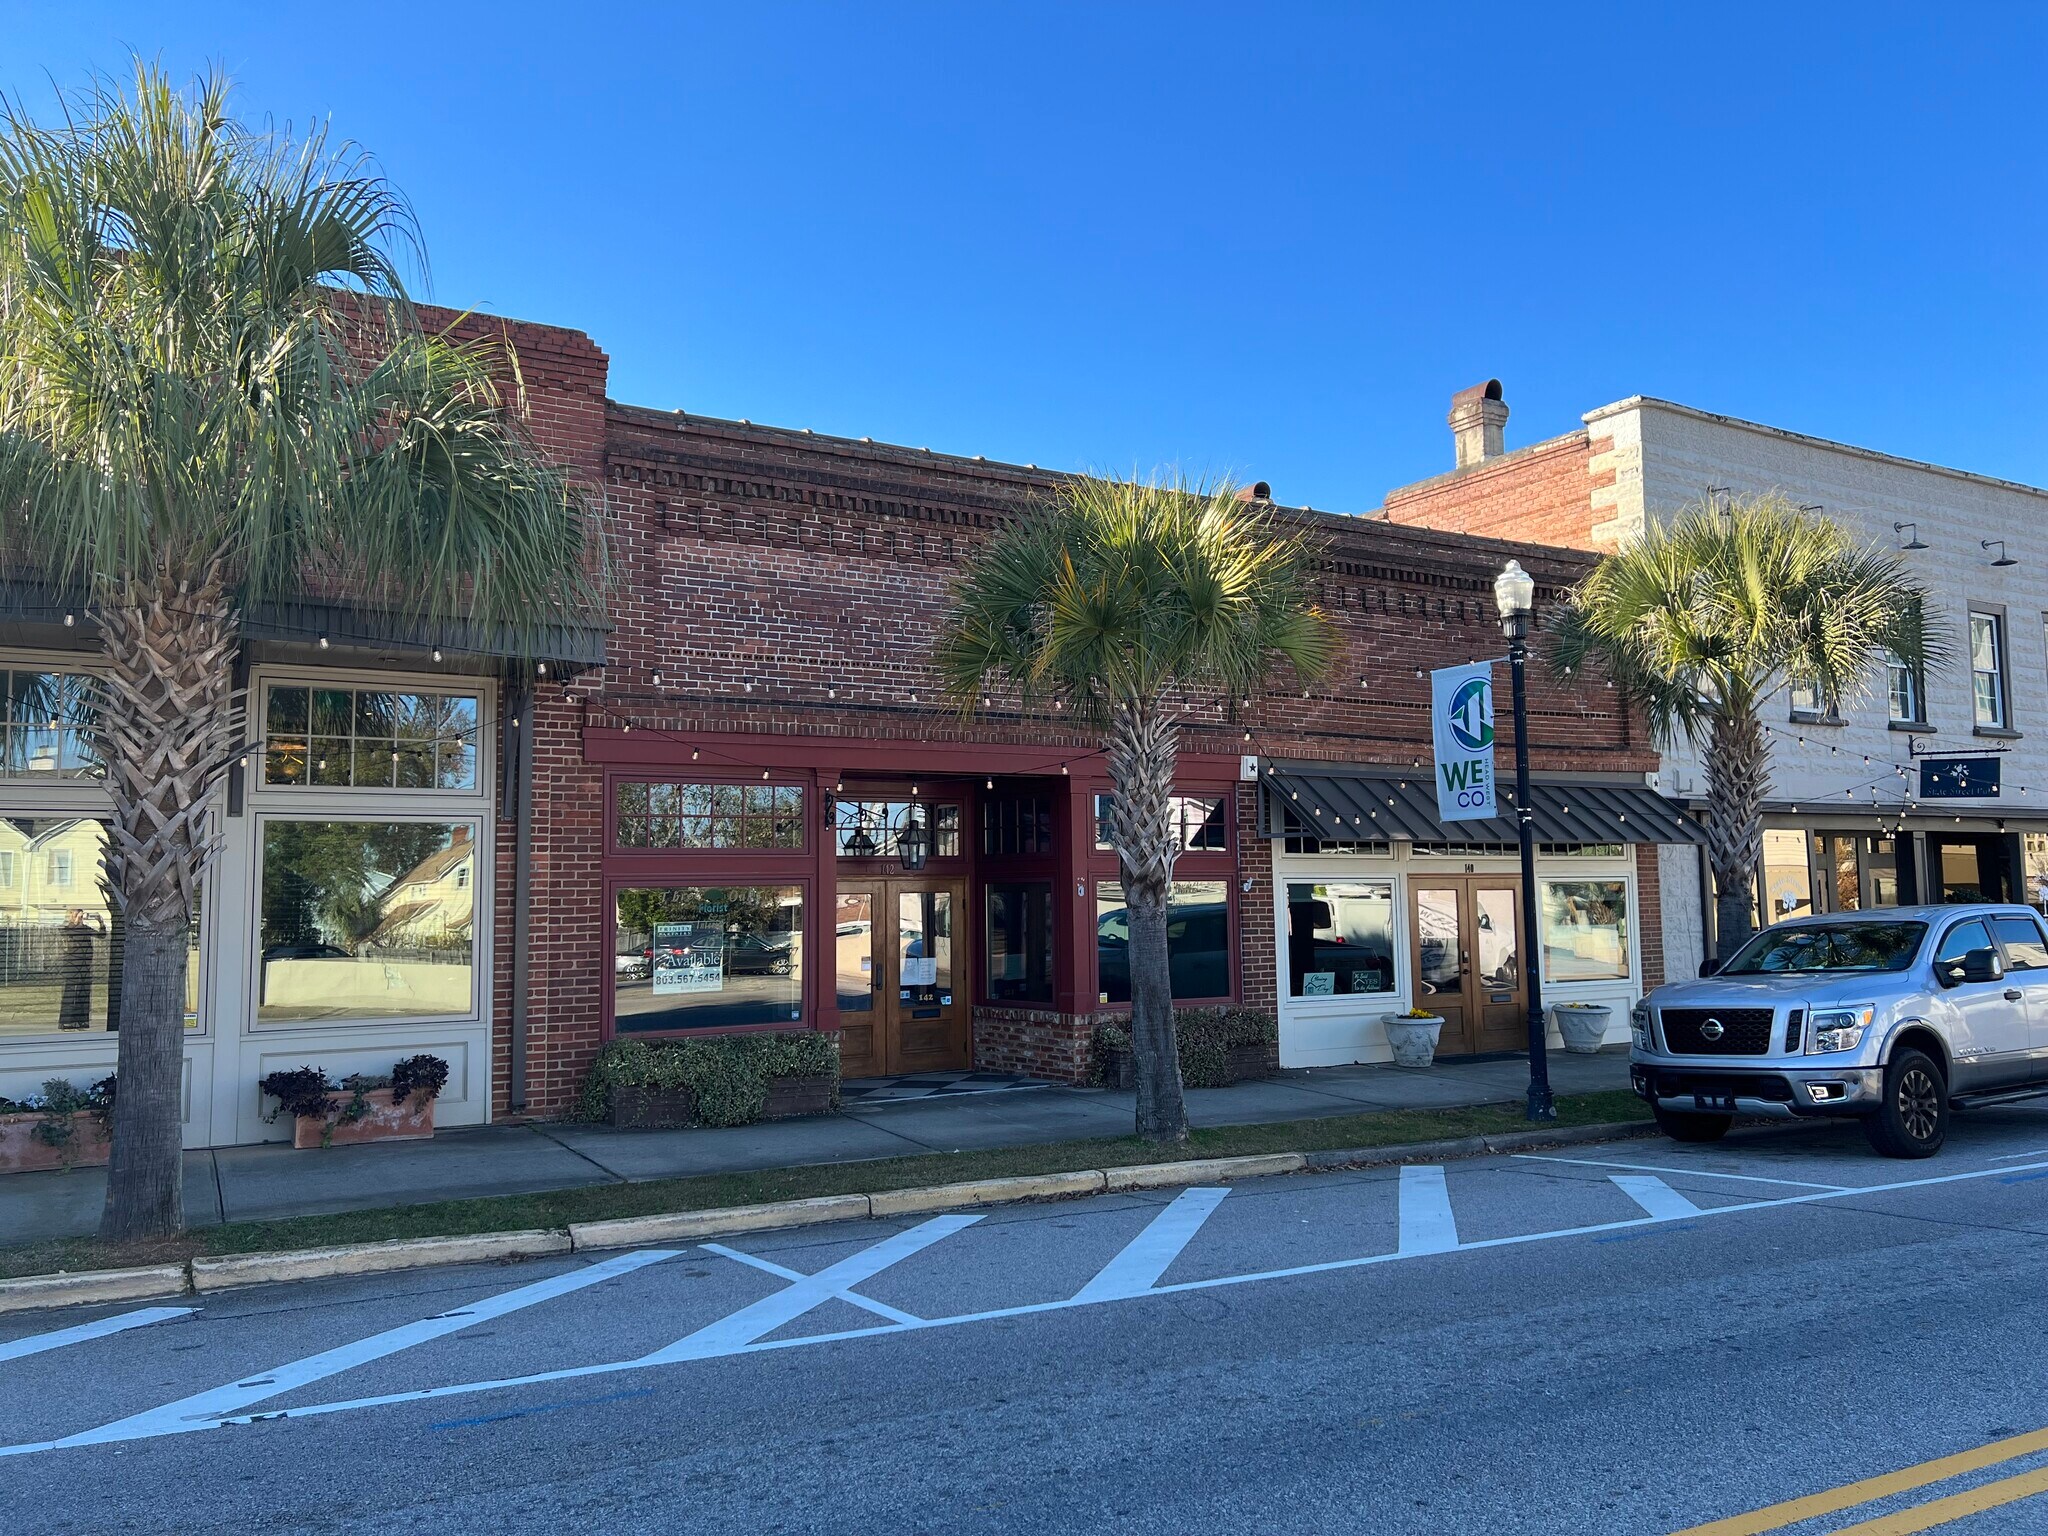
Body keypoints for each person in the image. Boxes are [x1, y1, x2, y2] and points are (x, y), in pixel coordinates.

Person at [57, 906, 104, 1030]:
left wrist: (101, 922)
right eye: (78, 915)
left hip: (85, 966)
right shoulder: (67, 929)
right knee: (70, 993)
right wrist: (76, 922)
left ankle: (81, 1022)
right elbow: (68, 933)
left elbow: (102, 935)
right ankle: (67, 1022)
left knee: (83, 992)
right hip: (72, 966)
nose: (81, 917)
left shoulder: (86, 929)